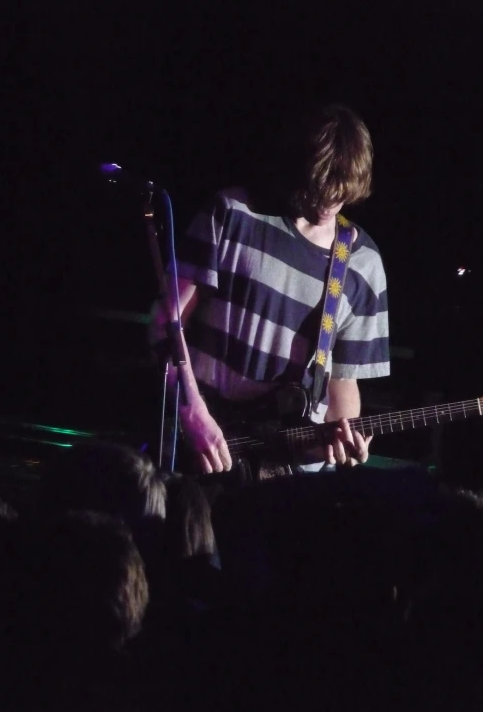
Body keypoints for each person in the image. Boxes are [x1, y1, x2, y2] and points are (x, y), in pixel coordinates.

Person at [151, 104, 390, 475]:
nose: (328, 205)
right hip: (198, 453)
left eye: (340, 194)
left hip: (285, 478)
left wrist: (344, 442)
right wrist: (191, 412)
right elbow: (166, 323)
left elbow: (343, 383)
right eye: (319, 189)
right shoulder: (232, 213)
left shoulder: (362, 264)